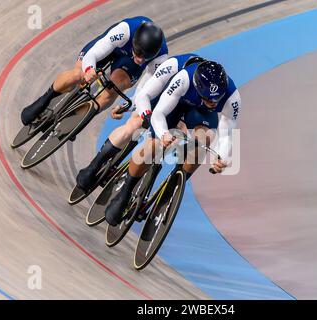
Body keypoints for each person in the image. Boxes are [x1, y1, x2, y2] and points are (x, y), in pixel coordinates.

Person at [104, 60, 242, 226]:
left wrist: (220, 157)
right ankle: (125, 193)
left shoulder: (232, 98)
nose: (214, 103)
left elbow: (226, 135)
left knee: (204, 140)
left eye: (217, 99)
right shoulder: (183, 79)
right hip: (176, 104)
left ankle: (176, 183)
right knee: (153, 147)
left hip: (200, 113)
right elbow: (159, 113)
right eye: (208, 99)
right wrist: (163, 134)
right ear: (198, 88)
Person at [75, 53, 205, 190]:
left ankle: (143, 165)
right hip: (160, 96)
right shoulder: (169, 66)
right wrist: (130, 106)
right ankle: (93, 167)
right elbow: (142, 94)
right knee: (135, 124)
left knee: (174, 135)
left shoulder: (203, 87)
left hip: (185, 106)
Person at [20, 16, 168, 127]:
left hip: (127, 63)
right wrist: (90, 69)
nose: (141, 59)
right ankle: (45, 99)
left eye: (145, 57)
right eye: (138, 53)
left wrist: (127, 106)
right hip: (113, 48)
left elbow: (144, 90)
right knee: (78, 74)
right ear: (134, 43)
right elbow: (94, 54)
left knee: (114, 88)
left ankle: (75, 122)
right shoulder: (125, 30)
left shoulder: (161, 58)